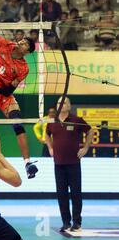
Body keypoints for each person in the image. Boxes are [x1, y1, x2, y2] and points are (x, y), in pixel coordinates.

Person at [0, 4, 39, 179]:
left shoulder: (23, 68)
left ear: (27, 52)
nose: (20, 42)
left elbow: (8, 90)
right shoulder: (3, 44)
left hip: (3, 95)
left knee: (17, 122)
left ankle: (27, 163)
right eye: (21, 40)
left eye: (24, 44)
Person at [46, 97, 94, 232]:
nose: (62, 104)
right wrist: (50, 148)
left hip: (73, 163)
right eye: (59, 102)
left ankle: (77, 222)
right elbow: (47, 134)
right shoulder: (52, 121)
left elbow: (90, 131)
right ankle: (66, 222)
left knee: (76, 194)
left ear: (70, 105)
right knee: (61, 194)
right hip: (58, 164)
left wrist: (85, 148)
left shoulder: (76, 120)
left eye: (65, 102)